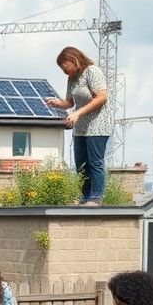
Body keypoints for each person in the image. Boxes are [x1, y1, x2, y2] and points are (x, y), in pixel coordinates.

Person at [45, 46, 111, 206]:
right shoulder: (72, 78)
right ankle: (85, 196)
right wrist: (58, 104)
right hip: (80, 126)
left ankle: (95, 197)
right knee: (81, 163)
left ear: (75, 60)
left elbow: (101, 97)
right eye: (62, 69)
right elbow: (70, 102)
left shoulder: (92, 71)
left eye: (66, 67)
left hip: (97, 125)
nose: (65, 72)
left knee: (94, 162)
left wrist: (77, 113)